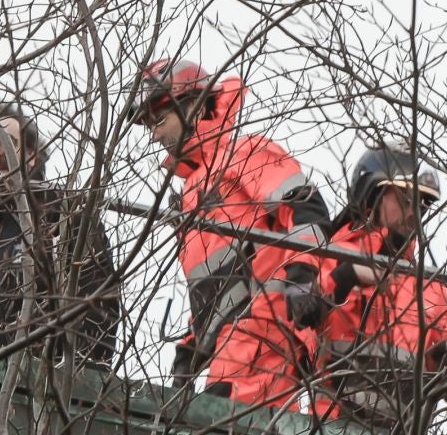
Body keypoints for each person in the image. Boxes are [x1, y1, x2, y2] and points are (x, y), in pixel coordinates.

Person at [131, 58, 330, 401]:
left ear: (192, 106)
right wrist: (192, 345)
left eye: (159, 120)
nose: (155, 134)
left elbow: (307, 207)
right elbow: (221, 280)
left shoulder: (243, 152)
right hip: (233, 343)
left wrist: (302, 275)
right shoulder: (193, 190)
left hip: (264, 331)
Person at [268, 144, 447, 425]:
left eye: (423, 203)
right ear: (371, 194)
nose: (415, 212)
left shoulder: (428, 284)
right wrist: (345, 276)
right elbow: (298, 320)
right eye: (405, 198)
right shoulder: (331, 255)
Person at [0, 104, 120, 365]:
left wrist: (78, 381)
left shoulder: (65, 217)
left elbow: (98, 313)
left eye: (5, 142)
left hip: (57, 388)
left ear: (31, 156)